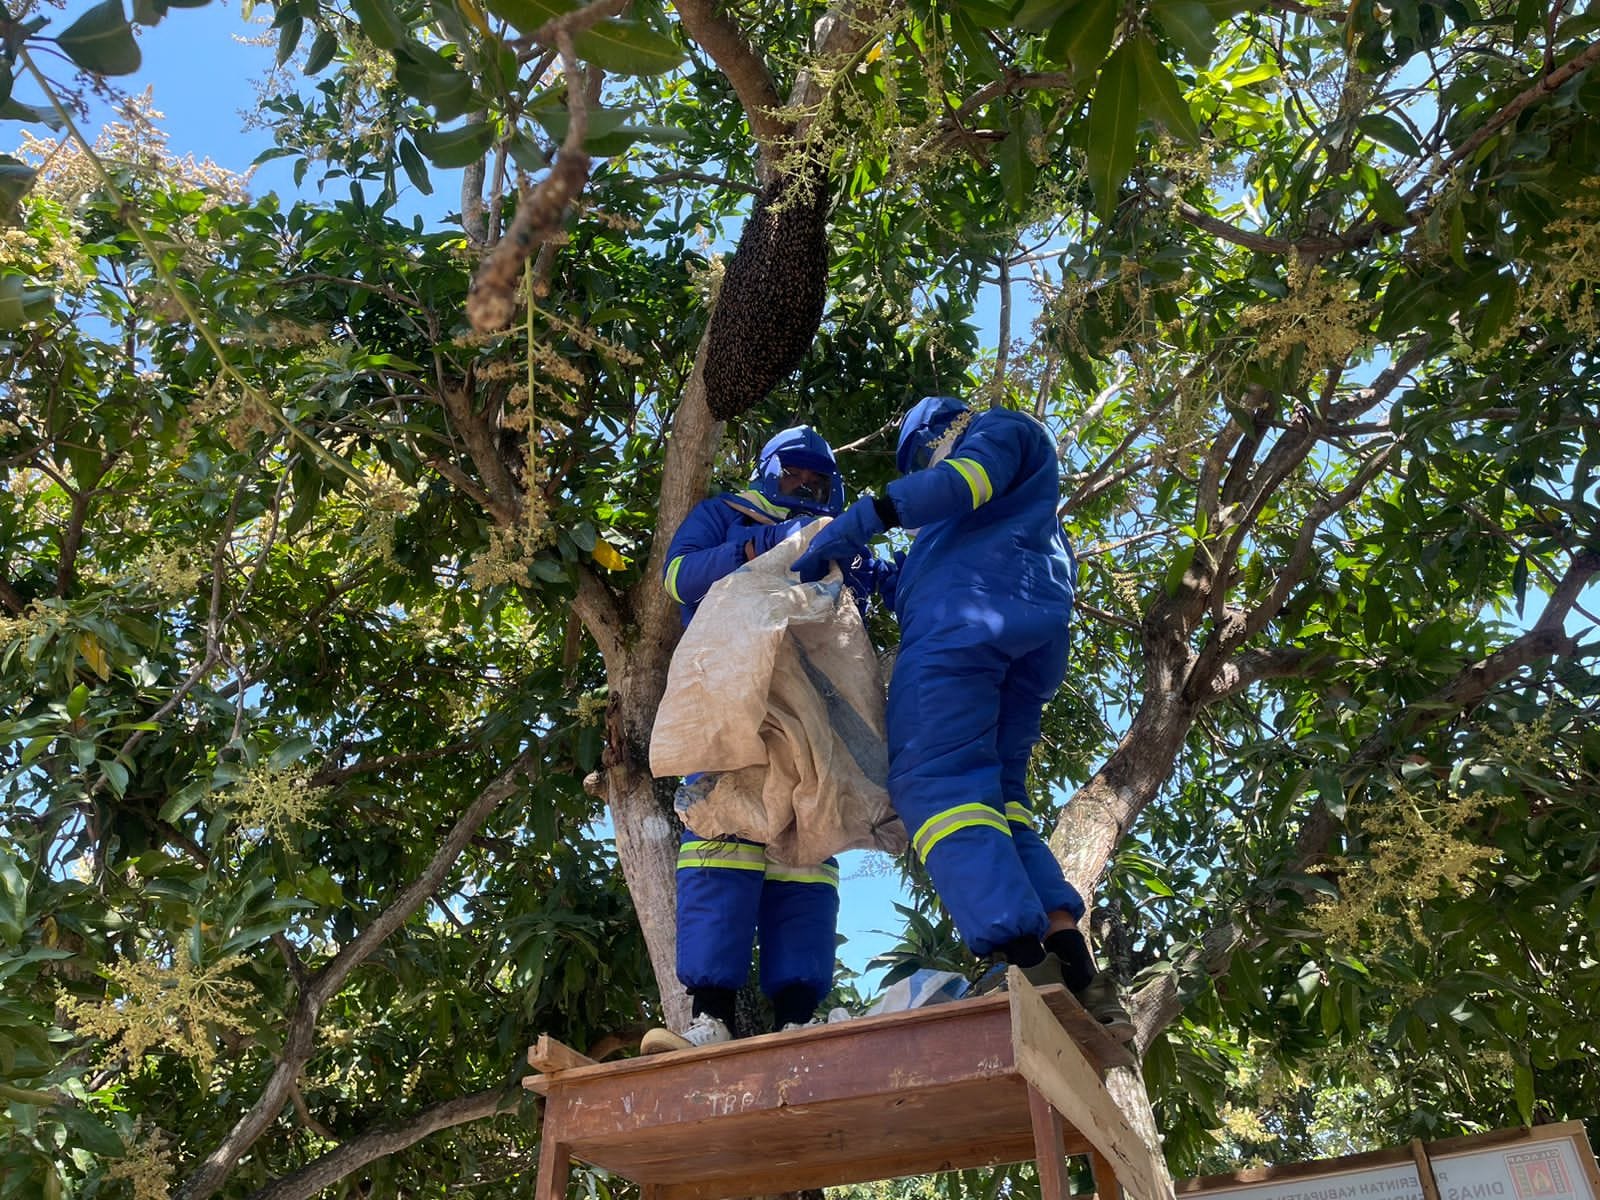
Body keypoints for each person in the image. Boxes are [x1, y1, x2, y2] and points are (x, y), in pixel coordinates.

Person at [791, 396, 1135, 1042]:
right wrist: (871, 572)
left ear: (936, 432)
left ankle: (1022, 964)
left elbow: (959, 482)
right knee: (1003, 803)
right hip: (1023, 648)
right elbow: (924, 573)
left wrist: (872, 514)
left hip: (963, 635)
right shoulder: (987, 524)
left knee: (934, 783)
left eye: (919, 458)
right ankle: (1076, 970)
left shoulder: (997, 433)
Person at [642, 425, 850, 1053]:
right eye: (797, 475)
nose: (807, 487)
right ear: (770, 470)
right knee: (718, 836)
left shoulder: (839, 536)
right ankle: (710, 1017)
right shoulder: (724, 515)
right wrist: (760, 543)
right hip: (730, 697)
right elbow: (679, 577)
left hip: (815, 710)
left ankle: (798, 1017)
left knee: (808, 843)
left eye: (818, 480)